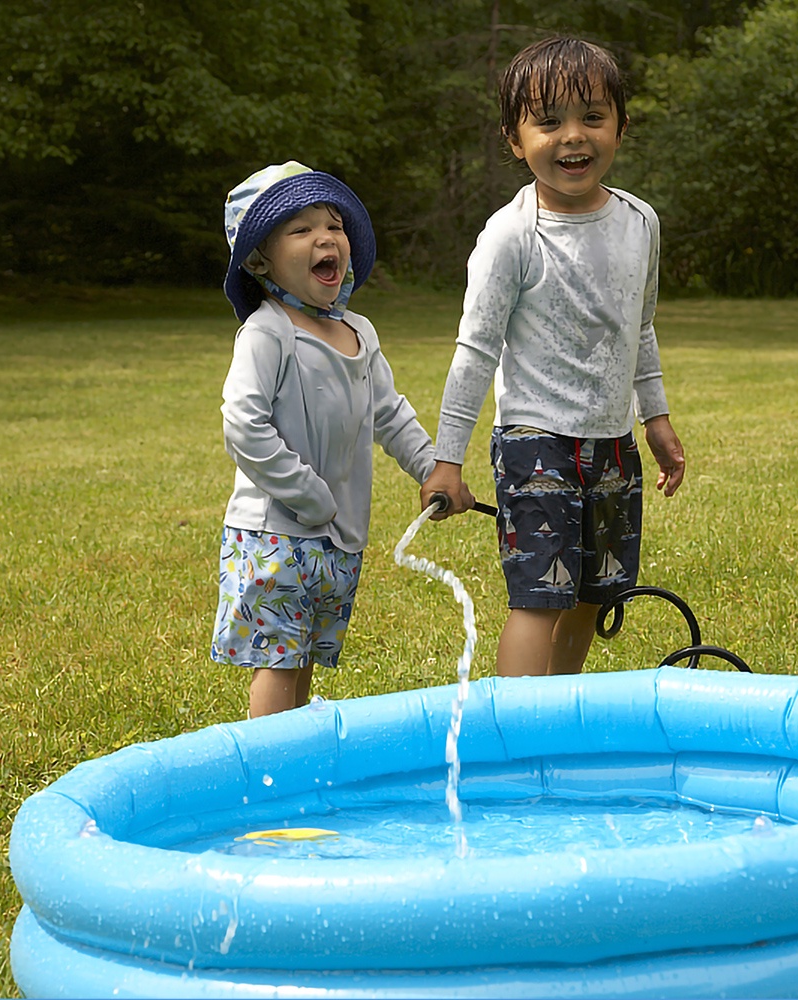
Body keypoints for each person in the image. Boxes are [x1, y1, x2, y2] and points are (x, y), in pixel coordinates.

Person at [420, 37, 686, 678]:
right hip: (534, 442)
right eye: (549, 122)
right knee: (540, 598)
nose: (574, 136)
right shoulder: (511, 236)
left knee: (596, 594)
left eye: (593, 117)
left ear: (621, 125)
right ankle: (516, 741)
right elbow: (474, 353)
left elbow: (639, 327)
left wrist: (655, 418)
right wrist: (447, 461)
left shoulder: (640, 222)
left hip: (614, 441)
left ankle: (559, 727)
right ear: (515, 138)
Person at [212, 161, 458, 717]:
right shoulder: (267, 332)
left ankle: (293, 771)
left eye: (334, 226)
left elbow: (389, 413)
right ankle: (269, 780)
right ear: (259, 259)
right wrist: (306, 493)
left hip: (338, 538)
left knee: (300, 665)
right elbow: (243, 425)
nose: (325, 237)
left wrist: (431, 467)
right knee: (278, 662)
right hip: (275, 536)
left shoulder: (358, 333)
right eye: (300, 230)